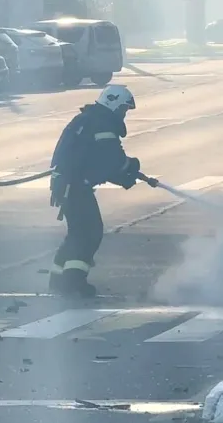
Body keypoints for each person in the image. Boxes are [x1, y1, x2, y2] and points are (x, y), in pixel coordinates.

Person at [48, 84, 155, 297]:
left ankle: (58, 280)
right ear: (113, 104)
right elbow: (112, 159)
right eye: (123, 109)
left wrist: (124, 175)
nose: (124, 114)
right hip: (75, 186)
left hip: (68, 184)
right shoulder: (102, 124)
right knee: (90, 233)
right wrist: (130, 167)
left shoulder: (89, 119)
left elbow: (99, 162)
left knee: (78, 233)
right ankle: (73, 282)